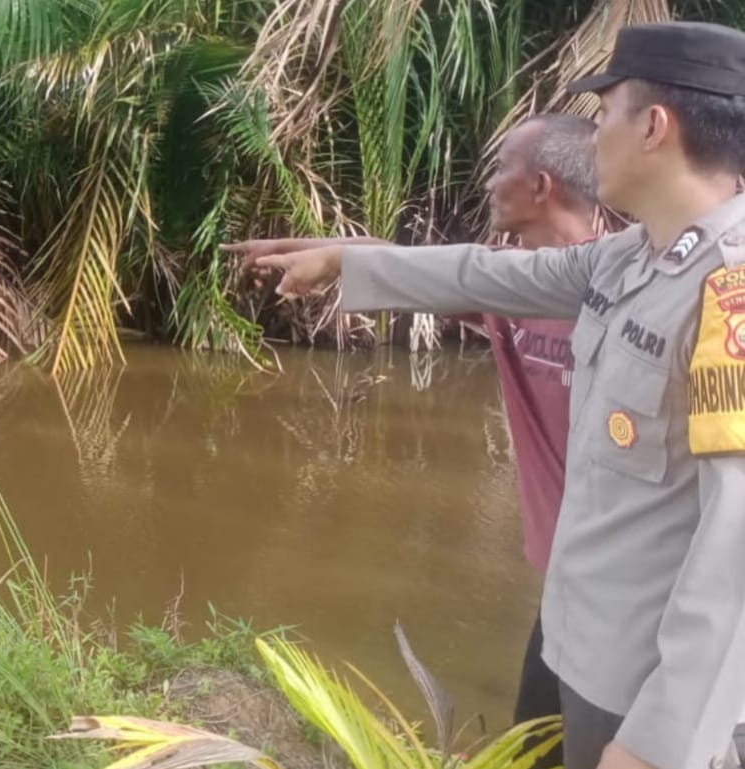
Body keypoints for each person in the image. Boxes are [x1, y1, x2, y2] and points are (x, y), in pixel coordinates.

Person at [226, 21, 745, 769]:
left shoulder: (729, 294)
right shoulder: (631, 258)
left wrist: (658, 743)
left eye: (606, 115)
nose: (593, 137)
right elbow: (486, 274)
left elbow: (732, 551)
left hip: (653, 697)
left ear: (654, 127)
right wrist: (344, 259)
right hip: (584, 651)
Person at [235, 113, 600, 763]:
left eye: (500, 168)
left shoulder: (628, 287)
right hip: (569, 578)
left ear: (541, 185)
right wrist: (313, 249)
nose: (488, 181)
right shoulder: (506, 280)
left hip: (634, 575)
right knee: (534, 744)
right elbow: (427, 269)